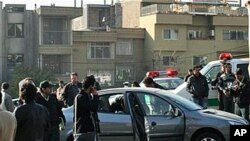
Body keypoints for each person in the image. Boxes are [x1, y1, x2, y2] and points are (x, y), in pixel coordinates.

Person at [73, 75, 99, 141]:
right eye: (93, 86)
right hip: (82, 131)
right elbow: (92, 108)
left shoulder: (88, 96)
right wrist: (95, 97)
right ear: (90, 86)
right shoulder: (81, 97)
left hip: (89, 130)